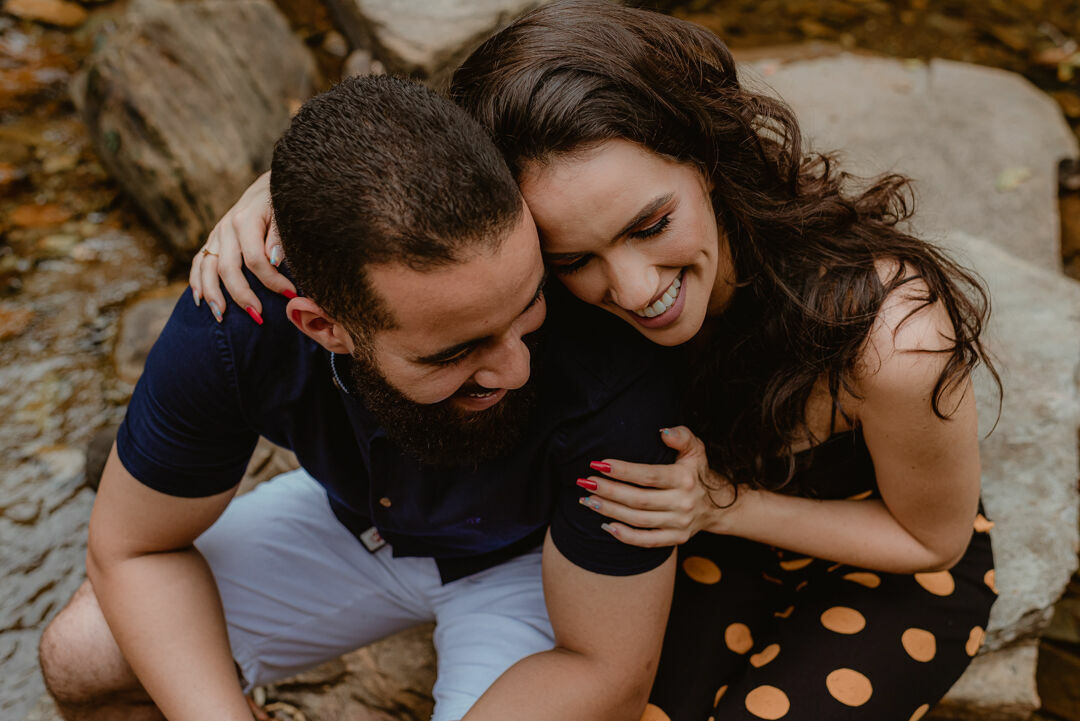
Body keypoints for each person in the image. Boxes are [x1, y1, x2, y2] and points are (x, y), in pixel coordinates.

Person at [198, 2, 1001, 720]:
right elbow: (399, 177)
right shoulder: (526, 253)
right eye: (574, 259)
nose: (634, 289)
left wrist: (721, 505)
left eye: (651, 225)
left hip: (880, 565)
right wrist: (273, 199)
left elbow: (930, 542)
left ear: (706, 157)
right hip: (687, 539)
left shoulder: (892, 338)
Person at [37, 74, 691, 721]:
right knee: (82, 658)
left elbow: (603, 669)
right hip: (354, 527)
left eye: (528, 305)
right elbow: (134, 549)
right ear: (323, 327)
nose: (515, 369)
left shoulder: (614, 354)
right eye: (454, 351)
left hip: (536, 564)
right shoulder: (239, 316)